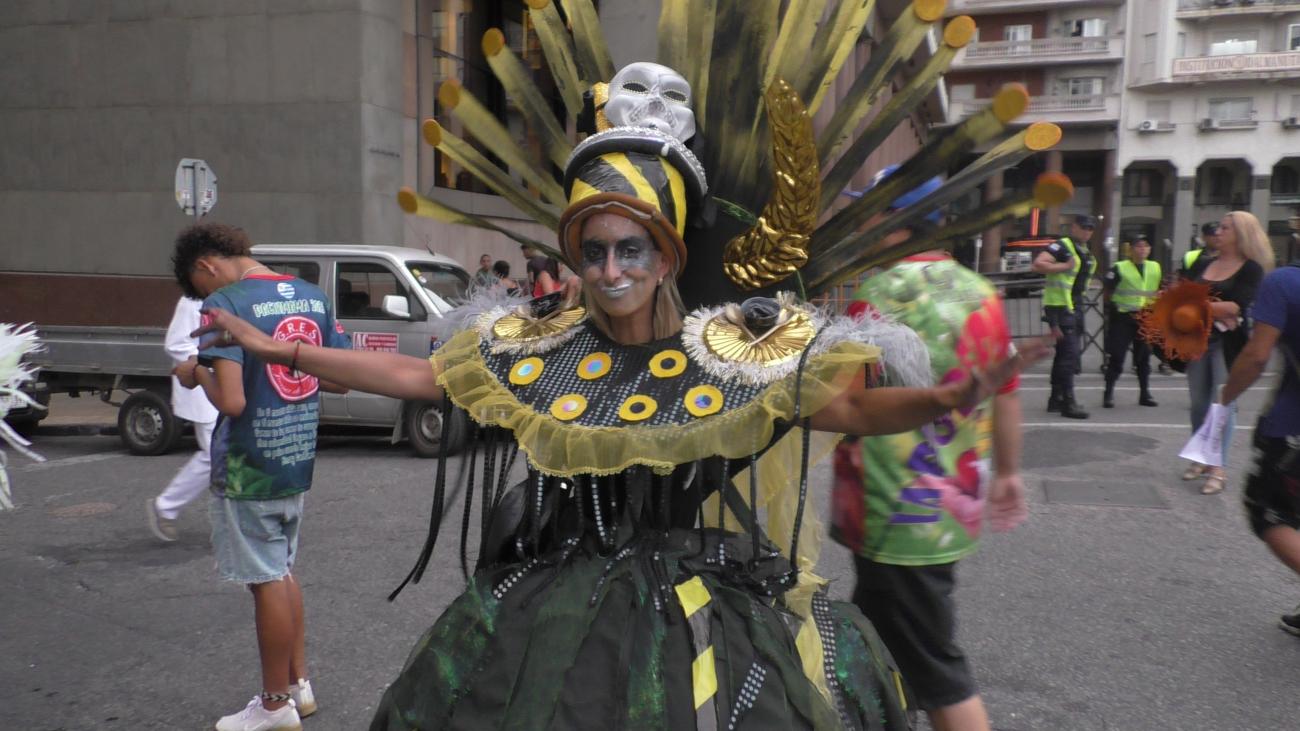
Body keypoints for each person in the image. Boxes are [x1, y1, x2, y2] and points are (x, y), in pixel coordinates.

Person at [196, 73, 1046, 729]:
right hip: (556, 609)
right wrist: (291, 349)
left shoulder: (732, 352)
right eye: (593, 250)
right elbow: (422, 379)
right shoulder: (545, 346)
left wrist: (952, 395)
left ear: (668, 252)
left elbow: (853, 413)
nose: (610, 272)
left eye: (630, 248)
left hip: (713, 613)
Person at [834, 168, 1028, 731]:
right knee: (876, 649)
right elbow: (1008, 394)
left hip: (892, 511)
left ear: (894, 220)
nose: (865, 221)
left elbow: (848, 400)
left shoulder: (875, 296)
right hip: (944, 510)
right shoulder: (981, 295)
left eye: (870, 210)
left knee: (937, 671)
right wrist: (1010, 473)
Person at [170, 222, 350, 731]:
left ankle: (274, 706)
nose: (206, 298)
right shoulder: (311, 296)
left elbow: (231, 401)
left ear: (207, 265)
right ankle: (299, 687)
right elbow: (338, 377)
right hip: (295, 453)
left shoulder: (227, 303)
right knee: (282, 570)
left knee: (267, 579)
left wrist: (195, 373)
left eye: (200, 287)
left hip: (249, 465)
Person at [1219, 261, 1300, 633]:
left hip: (1293, 426)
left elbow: (1256, 355)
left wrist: (1226, 397)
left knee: (1267, 511)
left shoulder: (1285, 282)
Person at [1180, 211, 1271, 494]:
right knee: (1198, 403)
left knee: (1222, 404)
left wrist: (1200, 305)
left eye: (1225, 228)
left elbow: (1237, 306)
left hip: (1229, 344)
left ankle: (1217, 467)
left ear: (1241, 233)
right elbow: (1182, 296)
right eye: (1219, 227)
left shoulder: (1250, 268)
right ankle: (1200, 457)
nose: (1218, 232)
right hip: (1198, 340)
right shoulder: (1204, 262)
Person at [146, 296, 220, 542]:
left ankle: (168, 507)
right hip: (201, 387)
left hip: (226, 385)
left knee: (224, 455)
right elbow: (177, 343)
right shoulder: (192, 300)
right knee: (216, 454)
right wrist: (203, 364)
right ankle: (166, 506)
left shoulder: (233, 293)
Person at [1032, 214, 1097, 419]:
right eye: (1084, 227)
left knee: (1064, 355)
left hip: (1073, 306)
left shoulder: (1085, 251)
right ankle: (1068, 402)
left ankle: (1055, 399)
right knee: (1068, 357)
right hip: (1060, 308)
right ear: (1074, 227)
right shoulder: (1062, 246)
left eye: (1090, 229)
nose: (1087, 231)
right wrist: (1064, 266)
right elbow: (1039, 264)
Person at [1101, 236, 1161, 409]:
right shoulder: (1120, 267)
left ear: (1149, 250)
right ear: (1131, 250)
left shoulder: (1155, 267)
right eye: (1138, 246)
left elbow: (1157, 290)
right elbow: (1108, 288)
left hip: (1146, 318)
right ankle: (1108, 393)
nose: (1142, 249)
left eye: (1145, 246)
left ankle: (1145, 393)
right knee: (1117, 357)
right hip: (1124, 317)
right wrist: (1109, 308)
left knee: (1143, 358)